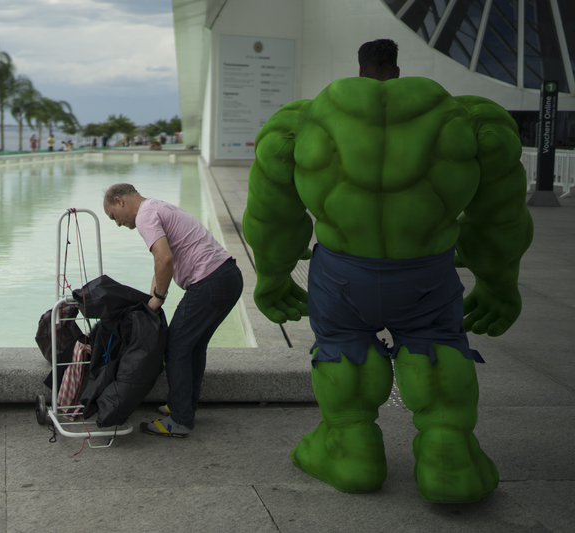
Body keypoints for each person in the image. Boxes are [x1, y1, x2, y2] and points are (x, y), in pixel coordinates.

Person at [243, 39, 533, 502]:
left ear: (359, 70)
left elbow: (272, 216)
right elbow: (500, 217)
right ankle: (449, 458)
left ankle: (352, 452)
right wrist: (500, 286)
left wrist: (272, 279)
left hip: (342, 276)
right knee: (437, 344)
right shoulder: (469, 119)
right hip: (426, 274)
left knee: (340, 345)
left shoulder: (302, 123)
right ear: (396, 70)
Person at [103, 184, 243, 437]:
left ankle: (179, 420)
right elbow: (161, 265)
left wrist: (158, 299)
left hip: (210, 282)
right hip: (227, 277)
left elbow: (164, 259)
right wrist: (149, 302)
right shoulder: (156, 207)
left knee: (176, 347)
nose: (117, 224)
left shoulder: (145, 215)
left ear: (119, 201)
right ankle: (184, 406)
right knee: (193, 347)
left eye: (113, 217)